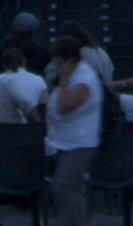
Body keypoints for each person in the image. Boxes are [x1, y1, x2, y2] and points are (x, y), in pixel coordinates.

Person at [40, 36, 105, 226]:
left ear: (68, 61)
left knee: (63, 185)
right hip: (68, 141)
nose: (56, 65)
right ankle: (82, 222)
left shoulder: (83, 81)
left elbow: (64, 106)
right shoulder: (76, 75)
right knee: (74, 187)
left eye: (58, 62)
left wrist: (64, 79)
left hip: (81, 143)